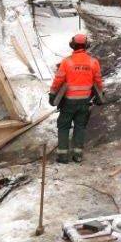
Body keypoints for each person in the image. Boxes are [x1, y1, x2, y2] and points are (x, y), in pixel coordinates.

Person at [49, 33, 103, 163]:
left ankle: (62, 156)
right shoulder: (93, 62)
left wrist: (52, 94)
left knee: (63, 126)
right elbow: (98, 81)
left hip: (68, 102)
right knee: (80, 127)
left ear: (72, 46)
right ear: (86, 46)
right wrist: (99, 95)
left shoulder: (67, 62)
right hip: (85, 102)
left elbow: (58, 80)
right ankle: (77, 155)